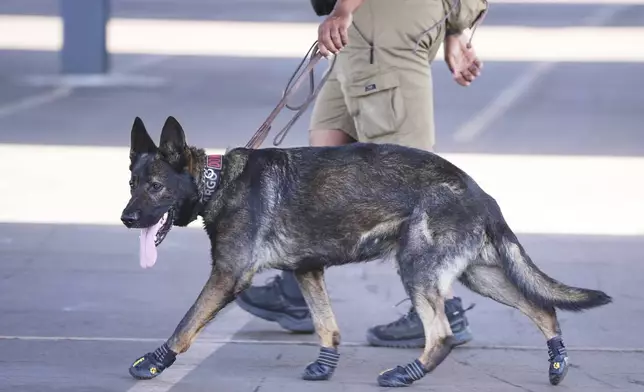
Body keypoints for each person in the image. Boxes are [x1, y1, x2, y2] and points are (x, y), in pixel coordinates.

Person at [236, 0, 488, 349]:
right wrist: (455, 27)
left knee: (403, 181)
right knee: (321, 168)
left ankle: (441, 309)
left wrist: (342, 10)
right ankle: (298, 292)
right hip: (362, 39)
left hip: (381, 34)